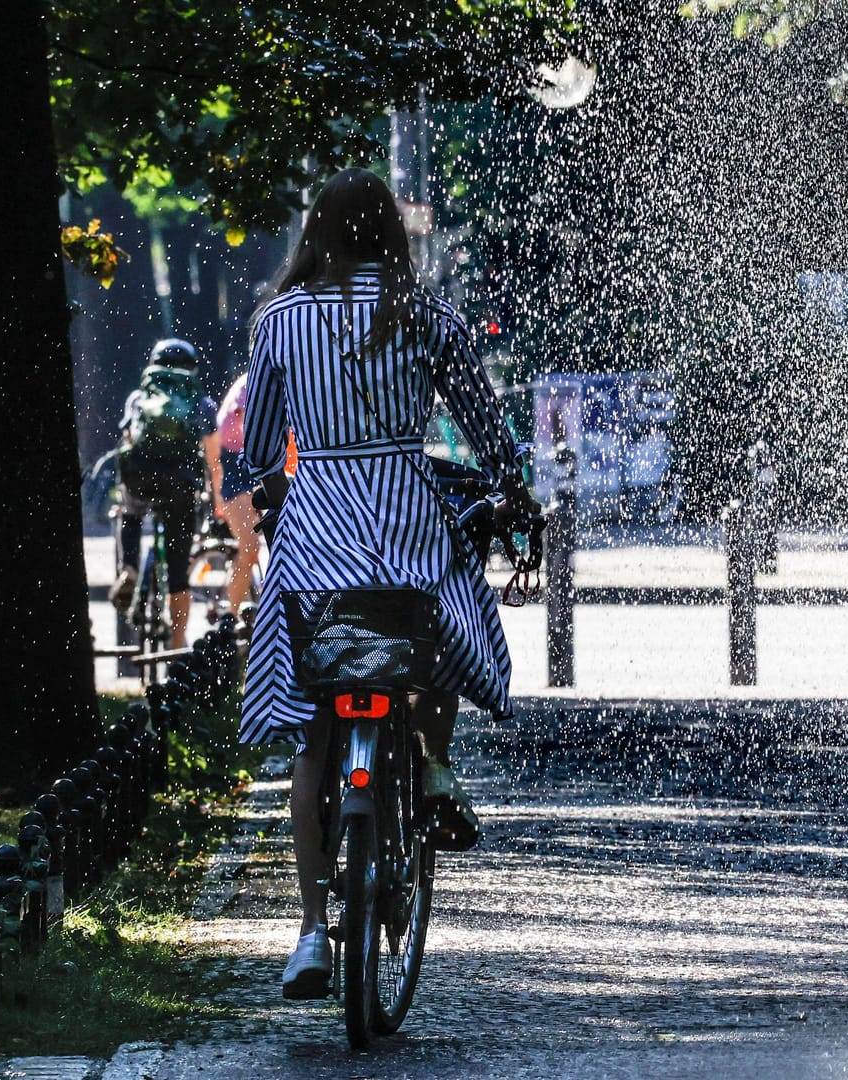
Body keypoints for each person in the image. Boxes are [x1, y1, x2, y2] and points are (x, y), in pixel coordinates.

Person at [237, 168, 536, 1000]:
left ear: (318, 233)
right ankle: (434, 764)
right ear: (391, 234)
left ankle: (305, 933)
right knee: (438, 621)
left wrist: (274, 495)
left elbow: (258, 451)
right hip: (408, 516)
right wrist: (511, 485)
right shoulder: (424, 314)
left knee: (313, 738)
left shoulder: (280, 323)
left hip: (318, 538)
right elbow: (483, 419)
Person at [109, 337, 219, 645]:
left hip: (140, 479)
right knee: (178, 565)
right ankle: (178, 640)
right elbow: (213, 460)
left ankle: (128, 567)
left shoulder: (139, 397)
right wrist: (216, 501)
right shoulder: (200, 402)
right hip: (180, 485)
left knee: (128, 510)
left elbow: (128, 439)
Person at [205, 370, 262, 609]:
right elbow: (242, 422)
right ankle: (232, 615)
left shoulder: (253, 380)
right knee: (250, 548)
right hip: (238, 470)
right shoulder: (255, 382)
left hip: (247, 467)